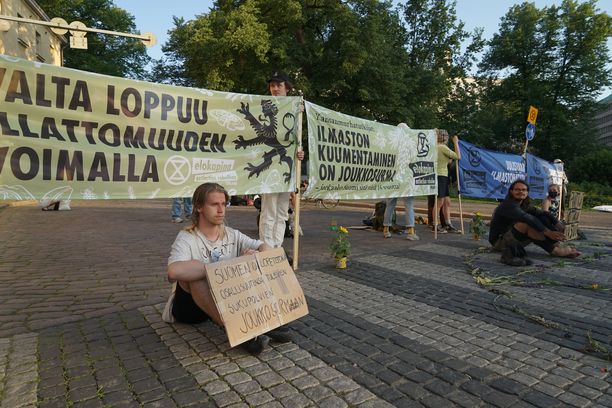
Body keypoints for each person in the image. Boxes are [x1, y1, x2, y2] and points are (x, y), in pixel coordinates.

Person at [166, 182, 293, 355]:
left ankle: (266, 319)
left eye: (223, 204)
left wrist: (258, 257)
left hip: (223, 301)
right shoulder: (187, 237)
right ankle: (240, 332)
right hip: (190, 310)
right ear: (198, 207)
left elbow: (264, 247)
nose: (221, 210)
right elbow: (173, 272)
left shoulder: (231, 234)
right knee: (196, 274)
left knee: (258, 258)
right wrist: (222, 266)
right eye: (214, 204)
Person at [259, 71, 304, 249]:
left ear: (287, 87)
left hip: (287, 167)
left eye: (279, 85)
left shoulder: (295, 109)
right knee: (268, 210)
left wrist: (300, 152)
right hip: (270, 165)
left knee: (282, 211)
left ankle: (277, 247)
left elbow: (296, 138)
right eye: (272, 85)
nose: (275, 89)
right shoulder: (264, 105)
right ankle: (266, 248)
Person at [489, 179, 580, 266]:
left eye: (524, 190)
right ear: (511, 191)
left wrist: (558, 224)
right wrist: (548, 232)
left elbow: (543, 213)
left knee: (542, 217)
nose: (521, 192)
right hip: (500, 242)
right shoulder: (507, 205)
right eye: (517, 189)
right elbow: (527, 218)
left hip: (515, 238)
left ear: (527, 192)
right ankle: (555, 250)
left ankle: (556, 244)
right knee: (526, 224)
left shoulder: (524, 205)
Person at [383, 123, 420, 241]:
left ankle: (386, 229)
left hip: (393, 177)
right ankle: (411, 231)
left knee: (390, 204)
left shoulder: (391, 145)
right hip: (407, 178)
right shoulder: (410, 145)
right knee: (408, 204)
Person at [435, 129, 461, 233]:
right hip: (440, 175)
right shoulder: (442, 147)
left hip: (443, 175)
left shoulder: (438, 147)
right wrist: (456, 143)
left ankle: (447, 223)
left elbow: (449, 160)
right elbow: (458, 156)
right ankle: (435, 225)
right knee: (439, 202)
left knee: (447, 202)